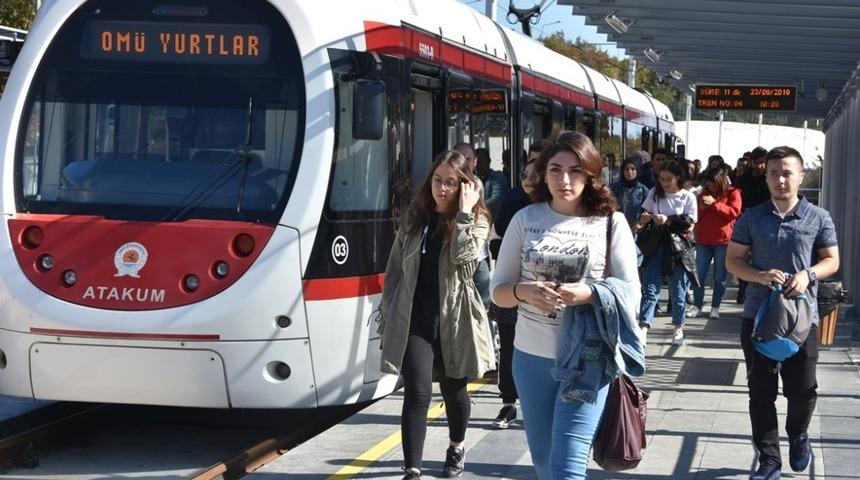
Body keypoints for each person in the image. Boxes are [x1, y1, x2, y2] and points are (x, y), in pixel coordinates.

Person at [490, 131, 644, 479]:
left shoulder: (611, 223)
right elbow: (498, 291)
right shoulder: (525, 219)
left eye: (575, 171)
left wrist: (589, 294)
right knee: (545, 462)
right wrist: (523, 291)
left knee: (566, 467)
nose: (565, 180)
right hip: (530, 358)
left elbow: (631, 294)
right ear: (543, 174)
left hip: (588, 359)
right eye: (556, 170)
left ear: (591, 175)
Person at [377, 150, 496, 479]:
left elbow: (464, 258)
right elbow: (395, 270)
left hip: (454, 321)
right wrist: (388, 313)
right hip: (415, 319)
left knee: (454, 392)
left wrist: (464, 213)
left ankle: (456, 446)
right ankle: (412, 469)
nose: (442, 189)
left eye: (451, 183)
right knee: (416, 392)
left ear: (465, 186)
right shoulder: (415, 219)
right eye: (437, 181)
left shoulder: (477, 220)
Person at [726, 146, 839, 480]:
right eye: (773, 173)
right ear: (766, 177)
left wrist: (808, 274)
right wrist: (758, 275)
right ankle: (769, 460)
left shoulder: (818, 217)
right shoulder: (752, 216)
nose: (780, 180)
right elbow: (733, 260)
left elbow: (831, 260)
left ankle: (798, 433)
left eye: (787, 173)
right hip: (759, 318)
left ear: (801, 176)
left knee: (802, 391)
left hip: (802, 320)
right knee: (760, 393)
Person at [487, 142, 544, 430]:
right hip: (513, 288)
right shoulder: (512, 201)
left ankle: (539, 403)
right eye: (526, 172)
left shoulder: (559, 208)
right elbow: (496, 237)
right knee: (509, 344)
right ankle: (508, 402)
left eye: (539, 168)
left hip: (547, 297)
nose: (530, 178)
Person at [637, 160, 698, 346]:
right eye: (661, 178)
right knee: (650, 287)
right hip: (656, 243)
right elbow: (643, 213)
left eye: (668, 179)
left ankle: (678, 327)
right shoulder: (654, 193)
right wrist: (645, 218)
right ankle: (643, 327)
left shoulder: (687, 196)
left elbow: (690, 224)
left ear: (678, 178)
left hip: (677, 247)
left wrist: (669, 220)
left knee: (677, 289)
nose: (664, 182)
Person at [688, 167, 741, 319]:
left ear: (721, 181)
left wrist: (715, 204)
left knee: (720, 275)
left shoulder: (733, 192)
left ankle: (715, 307)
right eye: (709, 185)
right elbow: (695, 216)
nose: (711, 188)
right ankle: (697, 305)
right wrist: (703, 208)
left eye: (714, 185)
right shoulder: (703, 194)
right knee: (699, 274)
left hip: (723, 240)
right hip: (703, 240)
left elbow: (734, 213)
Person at [454, 143, 492, 312]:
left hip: (478, 253)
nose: (464, 162)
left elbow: (481, 215)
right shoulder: (449, 184)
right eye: (459, 158)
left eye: (468, 159)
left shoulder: (477, 183)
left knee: (482, 303)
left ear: (475, 162)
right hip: (457, 250)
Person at [735, 146, 770, 304]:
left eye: (762, 163)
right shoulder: (744, 178)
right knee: (743, 257)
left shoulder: (770, 178)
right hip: (746, 221)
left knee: (762, 256)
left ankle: (760, 287)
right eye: (756, 163)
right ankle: (742, 289)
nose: (759, 166)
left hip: (766, 221)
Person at [610, 159, 649, 228]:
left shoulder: (643, 190)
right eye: (627, 169)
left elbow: (648, 211)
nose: (629, 172)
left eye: (633, 169)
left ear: (637, 171)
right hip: (618, 226)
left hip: (637, 228)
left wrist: (640, 223)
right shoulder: (614, 188)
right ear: (623, 171)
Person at [475, 147, 509, 220]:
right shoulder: (472, 179)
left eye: (481, 161)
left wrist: (474, 207)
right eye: (476, 162)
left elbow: (496, 200)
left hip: (496, 221)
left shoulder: (498, 176)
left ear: (489, 161)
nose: (478, 164)